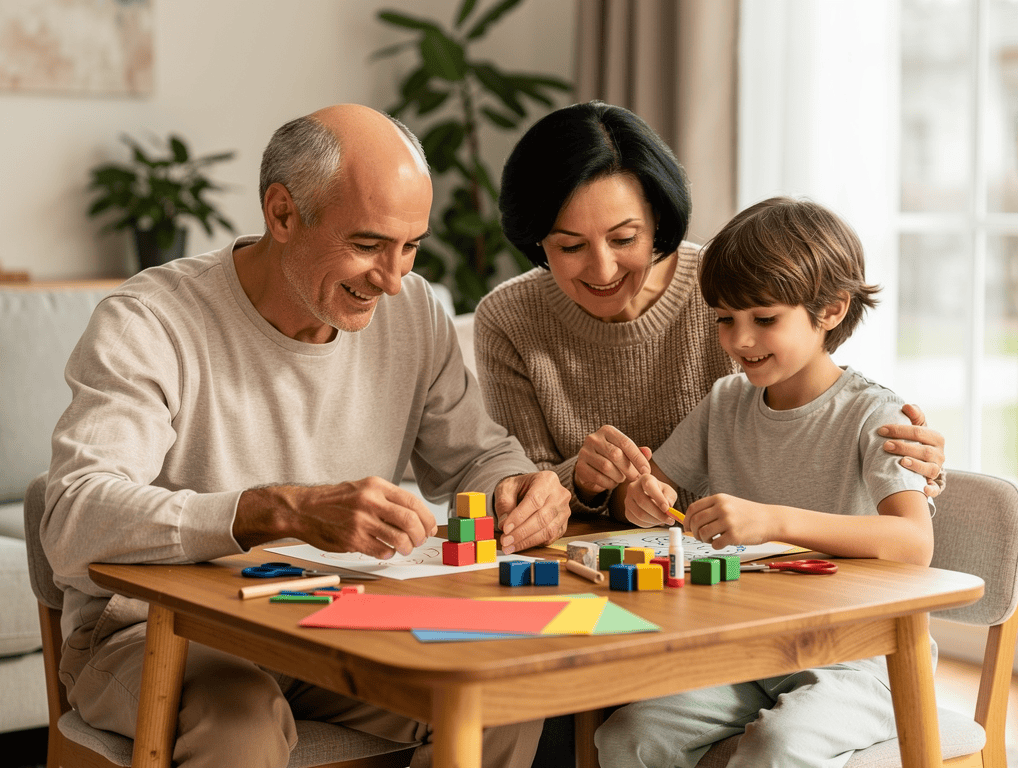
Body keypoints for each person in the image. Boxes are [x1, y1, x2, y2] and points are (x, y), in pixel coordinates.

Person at [41, 104, 570, 768]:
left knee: (504, 693)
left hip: (331, 623)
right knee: (243, 724)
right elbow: (72, 520)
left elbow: (477, 454)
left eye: (411, 247)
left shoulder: (413, 314)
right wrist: (275, 510)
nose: (395, 278)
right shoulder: (151, 322)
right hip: (157, 631)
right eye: (370, 244)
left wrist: (516, 487)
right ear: (282, 213)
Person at [475, 101, 945, 527]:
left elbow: (826, 417)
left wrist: (910, 464)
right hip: (647, 568)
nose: (603, 268)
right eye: (571, 245)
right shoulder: (509, 318)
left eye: (624, 239)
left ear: (659, 221)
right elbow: (522, 482)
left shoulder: (728, 285)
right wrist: (597, 487)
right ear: (537, 241)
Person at [596, 195, 934, 767]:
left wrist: (772, 521)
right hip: (750, 651)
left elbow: (914, 543)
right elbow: (649, 491)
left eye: (765, 319)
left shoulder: (876, 416)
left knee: (777, 749)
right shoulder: (726, 401)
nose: (740, 340)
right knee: (630, 734)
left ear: (830, 310)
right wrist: (640, 498)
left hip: (862, 660)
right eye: (726, 319)